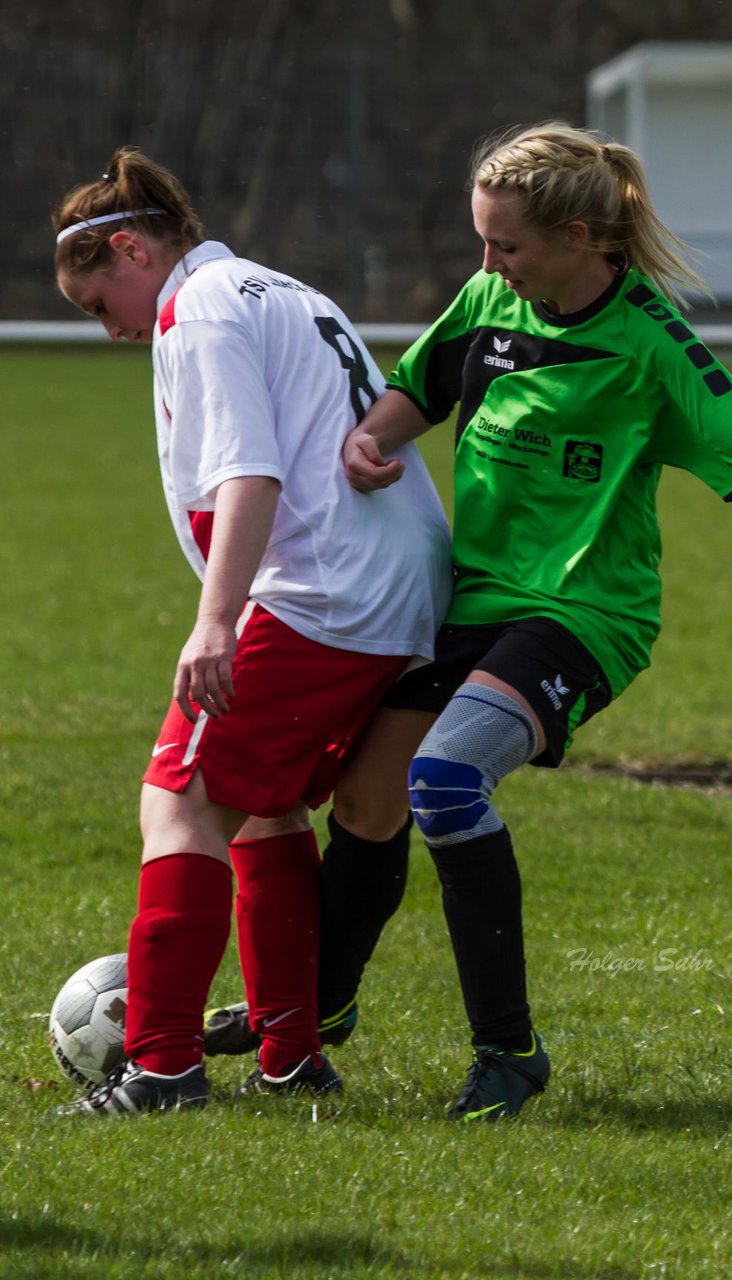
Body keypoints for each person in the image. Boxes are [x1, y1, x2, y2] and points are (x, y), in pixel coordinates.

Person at [272, 120, 732, 1123]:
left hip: (583, 611)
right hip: (469, 603)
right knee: (365, 803)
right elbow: (422, 383)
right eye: (483, 243)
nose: (488, 263)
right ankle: (310, 1016)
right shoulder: (490, 298)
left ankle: (508, 1050)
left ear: (582, 236)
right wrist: (373, 438)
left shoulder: (649, 338)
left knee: (445, 783)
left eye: (507, 246)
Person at [51, 147, 451, 1116]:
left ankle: (159, 1067)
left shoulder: (201, 310)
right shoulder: (277, 287)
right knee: (267, 807)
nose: (111, 331)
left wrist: (216, 620)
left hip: (321, 594)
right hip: (398, 593)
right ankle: (289, 1052)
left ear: (132, 248)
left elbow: (249, 474)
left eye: (101, 303)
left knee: (179, 799)